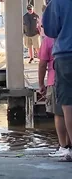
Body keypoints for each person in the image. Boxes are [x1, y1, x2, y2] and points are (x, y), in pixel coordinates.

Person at [43, 0, 72, 161]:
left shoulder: (58, 2)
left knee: (68, 105)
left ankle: (68, 148)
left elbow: (51, 30)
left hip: (66, 54)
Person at [38, 35, 71, 157]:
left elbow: (42, 64)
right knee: (69, 111)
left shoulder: (48, 40)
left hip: (55, 80)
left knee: (59, 114)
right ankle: (69, 143)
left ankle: (64, 146)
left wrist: (41, 83)